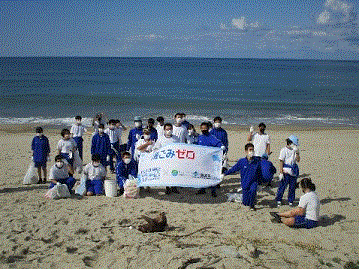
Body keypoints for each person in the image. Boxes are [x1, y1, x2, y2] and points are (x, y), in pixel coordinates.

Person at [224, 143, 263, 210]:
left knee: (253, 191)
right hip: (245, 183)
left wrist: (260, 184)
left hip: (253, 182)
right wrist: (225, 174)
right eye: (250, 150)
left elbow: (259, 173)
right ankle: (247, 201)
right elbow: (234, 169)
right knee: (245, 203)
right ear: (246, 151)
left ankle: (252, 206)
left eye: (253, 150)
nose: (251, 152)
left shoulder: (257, 162)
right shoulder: (242, 161)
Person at [196, 122, 225, 197]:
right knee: (201, 175)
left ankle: (213, 191)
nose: (204, 130)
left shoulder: (211, 137)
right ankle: (202, 189)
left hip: (210, 160)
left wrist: (222, 147)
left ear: (208, 129)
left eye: (205, 128)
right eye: (202, 129)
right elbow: (195, 146)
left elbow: (218, 143)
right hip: (201, 160)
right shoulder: (200, 137)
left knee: (211, 176)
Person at [153, 123, 180, 195]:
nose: (169, 130)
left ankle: (174, 188)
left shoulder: (176, 138)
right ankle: (168, 188)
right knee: (166, 174)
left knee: (174, 173)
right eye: (167, 129)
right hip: (164, 160)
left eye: (170, 129)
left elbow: (180, 148)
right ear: (164, 130)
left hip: (174, 160)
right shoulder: (161, 139)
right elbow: (156, 148)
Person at [276, 135, 300, 207]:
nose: (295, 145)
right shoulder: (284, 150)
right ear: (290, 143)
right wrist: (281, 172)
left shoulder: (295, 150)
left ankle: (290, 201)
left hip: (293, 171)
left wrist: (297, 153)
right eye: (294, 144)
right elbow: (281, 161)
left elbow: (298, 160)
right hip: (286, 171)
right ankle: (279, 200)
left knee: (292, 187)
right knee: (282, 186)